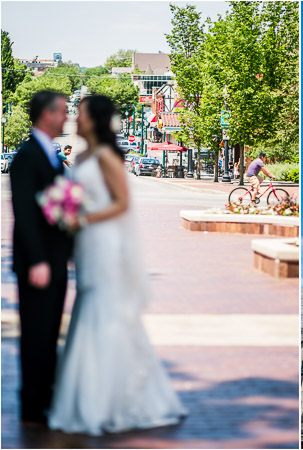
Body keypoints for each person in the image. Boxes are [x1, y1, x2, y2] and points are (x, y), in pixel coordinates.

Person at [46, 95, 188, 435]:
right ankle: (89, 393)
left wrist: (84, 218)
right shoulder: (80, 157)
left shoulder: (108, 157)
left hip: (105, 243)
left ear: (94, 120)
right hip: (86, 244)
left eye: (79, 114)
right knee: (88, 305)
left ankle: (112, 399)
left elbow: (123, 204)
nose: (74, 120)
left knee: (105, 309)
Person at [9, 90, 74, 425]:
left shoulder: (49, 154)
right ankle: (31, 405)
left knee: (49, 332)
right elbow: (24, 214)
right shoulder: (27, 156)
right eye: (62, 111)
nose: (66, 117)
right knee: (35, 333)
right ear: (46, 114)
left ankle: (45, 396)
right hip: (39, 265)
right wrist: (36, 261)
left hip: (56, 261)